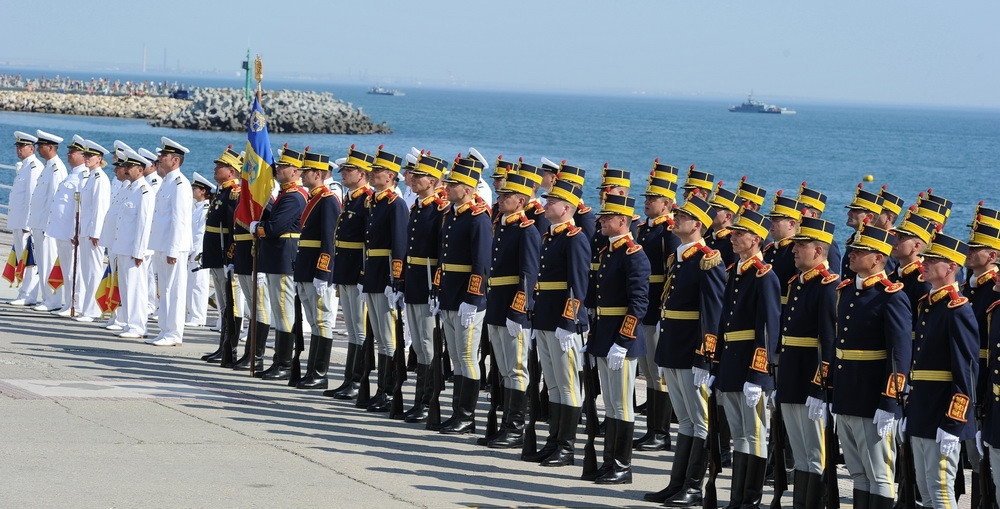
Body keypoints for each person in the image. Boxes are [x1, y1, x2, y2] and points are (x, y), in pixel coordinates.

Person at [644, 196, 726, 507]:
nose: (676, 218)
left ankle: (693, 486)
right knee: (687, 421)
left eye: (683, 215)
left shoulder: (707, 260)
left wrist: (704, 358)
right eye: (677, 213)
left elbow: (712, 314)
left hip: (692, 352)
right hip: (674, 348)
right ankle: (677, 483)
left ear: (697, 225)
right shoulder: (679, 258)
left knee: (700, 421)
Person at [833, 223, 911, 508]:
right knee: (858, 472)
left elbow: (899, 355)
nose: (851, 255)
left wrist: (890, 403)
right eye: (852, 250)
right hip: (847, 396)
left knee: (879, 473)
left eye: (859, 251)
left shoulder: (890, 296)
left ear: (878, 258)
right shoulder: (848, 292)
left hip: (872, 399)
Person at [712, 208, 781, 508]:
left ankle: (750, 499)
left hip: (749, 367)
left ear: (756, 240)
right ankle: (737, 497)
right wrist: (716, 363)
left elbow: (767, 329)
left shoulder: (764, 276)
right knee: (739, 435)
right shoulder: (734, 271)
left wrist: (757, 374)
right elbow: (723, 322)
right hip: (730, 362)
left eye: (740, 234)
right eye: (734, 233)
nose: (734, 237)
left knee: (754, 435)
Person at [906, 233, 978, 509]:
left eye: (933, 260)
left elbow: (965, 371)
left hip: (942, 413)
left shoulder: (957, 310)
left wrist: (954, 422)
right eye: (925, 258)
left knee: (941, 490)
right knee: (924, 490)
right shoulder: (929, 304)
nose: (923, 263)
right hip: (923, 409)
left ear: (951, 267)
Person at [522, 179, 591, 466]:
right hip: (547, 319)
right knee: (552, 384)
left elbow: (578, 285)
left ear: (566, 208)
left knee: (567, 385)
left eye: (551, 202)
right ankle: (554, 440)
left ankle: (566, 445)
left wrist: (569, 319)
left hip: (564, 323)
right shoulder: (551, 236)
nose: (545, 205)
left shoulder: (575, 238)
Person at [775, 216, 839, 508]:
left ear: (818, 251)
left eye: (802, 246)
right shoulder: (798, 283)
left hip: (811, 380)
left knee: (815, 453)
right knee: (800, 452)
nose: (794, 250)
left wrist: (821, 387)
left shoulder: (827, 286)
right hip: (791, 376)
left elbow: (828, 341)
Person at [586, 193, 650, 484]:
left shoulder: (634, 255)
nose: (600, 221)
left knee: (622, 404)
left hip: (620, 341)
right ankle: (609, 461)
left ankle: (622, 466)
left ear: (622, 221)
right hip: (604, 336)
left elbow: (638, 304)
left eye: (606, 217)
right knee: (610, 405)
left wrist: (622, 342)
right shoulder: (609, 252)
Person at [483, 171, 540, 446]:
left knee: (517, 368)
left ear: (521, 201)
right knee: (504, 368)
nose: (500, 197)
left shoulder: (526, 230)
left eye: (507, 196)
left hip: (511, 309)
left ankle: (516, 427)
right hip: (496, 305)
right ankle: (506, 424)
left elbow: (528, 275)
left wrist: (518, 312)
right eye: (501, 194)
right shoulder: (503, 225)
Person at [435, 159, 491, 434]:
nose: (446, 187)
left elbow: (480, 263)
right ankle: (457, 411)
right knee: (456, 357)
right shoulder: (452, 214)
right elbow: (444, 258)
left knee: (468, 356)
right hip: (449, 292)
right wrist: (439, 289)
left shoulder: (478, 217)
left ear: (468, 189)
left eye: (453, 184)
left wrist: (473, 297)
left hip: (468, 298)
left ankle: (467, 415)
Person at [633, 176, 681, 453]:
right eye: (647, 198)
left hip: (656, 310)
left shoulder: (669, 234)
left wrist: (664, 312)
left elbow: (671, 277)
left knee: (657, 374)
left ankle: (661, 432)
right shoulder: (644, 230)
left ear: (666, 204)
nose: (647, 202)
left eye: (653, 199)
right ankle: (652, 428)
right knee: (649, 373)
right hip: (644, 310)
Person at [399, 154, 448, 422]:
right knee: (418, 343)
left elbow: (443, 253)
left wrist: (437, 288)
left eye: (419, 176)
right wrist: (401, 281)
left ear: (432, 180)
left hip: (429, 283)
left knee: (429, 344)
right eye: (414, 175)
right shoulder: (418, 208)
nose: (414, 180)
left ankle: (430, 401)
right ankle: (420, 399)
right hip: (415, 280)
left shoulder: (439, 209)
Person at [252, 145, 308, 377]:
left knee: (284, 312)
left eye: (283, 166)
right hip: (277, 258)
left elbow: (275, 228)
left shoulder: (294, 197)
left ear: (295, 171)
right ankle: (279, 360)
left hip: (285, 259)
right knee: (278, 310)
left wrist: (259, 227)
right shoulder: (286, 195)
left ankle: (284, 363)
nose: (278, 169)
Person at [324, 146, 374, 400]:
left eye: (349, 170)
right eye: (343, 170)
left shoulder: (366, 200)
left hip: (357, 271)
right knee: (353, 330)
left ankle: (358, 380)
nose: (343, 173)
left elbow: (368, 242)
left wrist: (364, 274)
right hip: (345, 269)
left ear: (362, 174)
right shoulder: (352, 198)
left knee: (359, 328)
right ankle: (348, 379)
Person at [360, 146, 407, 412]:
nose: (372, 174)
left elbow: (399, 246)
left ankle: (389, 391)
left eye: (377, 171)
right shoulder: (375, 202)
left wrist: (396, 280)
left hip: (386, 275)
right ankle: (381, 390)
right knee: (379, 333)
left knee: (388, 336)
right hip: (374, 273)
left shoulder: (395, 204)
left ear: (390, 176)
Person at [294, 150, 341, 389]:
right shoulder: (314, 198)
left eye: (306, 171)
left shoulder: (328, 200)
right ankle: (312, 369)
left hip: (316, 268)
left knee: (321, 320)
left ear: (319, 174)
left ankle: (320, 372)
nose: (301, 175)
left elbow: (329, 240)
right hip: (306, 265)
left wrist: (323, 273)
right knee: (313, 320)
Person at [145, 137, 193, 346]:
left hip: (174, 246)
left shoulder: (180, 184)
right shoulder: (167, 182)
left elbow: (179, 219)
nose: (159, 159)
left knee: (174, 290)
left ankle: (174, 333)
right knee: (163, 289)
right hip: (162, 244)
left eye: (163, 156)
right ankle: (165, 330)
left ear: (174, 161)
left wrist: (173, 248)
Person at [200, 147, 244, 362]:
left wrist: (231, 257)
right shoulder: (222, 193)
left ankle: (230, 349)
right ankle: (222, 346)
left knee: (231, 303)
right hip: (216, 256)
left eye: (220, 166)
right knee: (223, 304)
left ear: (232, 172)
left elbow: (234, 230)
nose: (215, 169)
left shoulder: (234, 194)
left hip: (225, 257)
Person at [110, 149, 155, 339]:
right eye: (125, 166)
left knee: (136, 288)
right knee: (127, 287)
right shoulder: (129, 188)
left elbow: (144, 224)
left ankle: (138, 326)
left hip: (134, 249)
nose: (126, 170)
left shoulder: (144, 191)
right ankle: (130, 323)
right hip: (123, 246)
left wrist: (139, 251)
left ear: (140, 169)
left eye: (129, 167)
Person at [43, 135, 88, 315]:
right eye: (69, 151)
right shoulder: (72, 175)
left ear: (83, 155)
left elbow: (81, 209)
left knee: (73, 270)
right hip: (61, 231)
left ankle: (75, 304)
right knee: (66, 269)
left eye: (73, 152)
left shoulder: (83, 177)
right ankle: (68, 303)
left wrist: (75, 232)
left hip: (70, 232)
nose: (69, 155)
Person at [70, 139, 111, 322]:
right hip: (85, 231)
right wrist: (79, 232)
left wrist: (96, 232)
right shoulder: (91, 178)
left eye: (90, 156)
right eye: (85, 155)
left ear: (99, 158)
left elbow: (100, 209)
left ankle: (93, 310)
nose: (86, 158)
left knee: (93, 271)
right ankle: (87, 308)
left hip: (93, 233)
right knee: (86, 271)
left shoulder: (101, 179)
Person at [29, 130, 68, 311]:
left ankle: (52, 301)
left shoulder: (56, 168)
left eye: (41, 146)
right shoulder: (48, 167)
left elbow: (54, 199)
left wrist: (49, 226)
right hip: (39, 223)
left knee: (49, 261)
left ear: (50, 147)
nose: (37, 149)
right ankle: (46, 298)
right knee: (43, 262)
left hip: (46, 225)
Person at [7, 131, 43, 306]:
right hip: (18, 220)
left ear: (31, 149)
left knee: (29, 260)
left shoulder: (34, 167)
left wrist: (28, 223)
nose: (18, 150)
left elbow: (32, 197)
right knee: (22, 257)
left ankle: (28, 295)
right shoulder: (25, 167)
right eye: (17, 146)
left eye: (22, 147)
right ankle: (23, 293)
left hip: (25, 223)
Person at [185, 172, 215, 327]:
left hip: (199, 252)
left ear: (203, 191)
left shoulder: (205, 209)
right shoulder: (197, 208)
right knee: (192, 284)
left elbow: (201, 234)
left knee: (198, 285)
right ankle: (192, 315)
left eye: (195, 187)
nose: (192, 190)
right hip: (193, 251)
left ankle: (198, 317)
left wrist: (195, 252)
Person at [796, 182, 842, 273]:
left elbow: (833, 275)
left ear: (813, 215)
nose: (795, 212)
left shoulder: (827, 243)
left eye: (800, 210)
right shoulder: (795, 239)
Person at [841, 184, 884, 281]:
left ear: (870, 217)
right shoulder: (854, 240)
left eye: (855, 210)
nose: (849, 213)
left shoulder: (878, 245)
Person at [707, 181, 739, 267]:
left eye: (714, 210)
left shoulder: (733, 242)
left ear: (727, 216)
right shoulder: (708, 239)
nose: (709, 213)